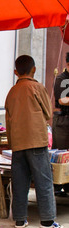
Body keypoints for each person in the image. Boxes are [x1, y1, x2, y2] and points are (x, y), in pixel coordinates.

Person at [5, 55, 63, 228]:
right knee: (44, 180)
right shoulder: (37, 87)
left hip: (17, 142)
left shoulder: (12, 92)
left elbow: (8, 120)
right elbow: (47, 112)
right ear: (34, 70)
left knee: (20, 180)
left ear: (15, 72)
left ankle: (20, 220)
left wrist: (11, 141)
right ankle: (47, 220)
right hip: (36, 140)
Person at [52, 52, 69, 194]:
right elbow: (62, 100)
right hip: (63, 121)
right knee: (61, 154)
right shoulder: (61, 79)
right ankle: (58, 186)